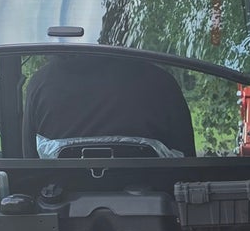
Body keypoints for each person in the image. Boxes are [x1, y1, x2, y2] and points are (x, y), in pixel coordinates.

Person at [26, 54, 195, 157]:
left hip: (57, 209)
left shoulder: (40, 84)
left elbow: (28, 161)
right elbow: (189, 163)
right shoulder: (160, 82)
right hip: (155, 208)